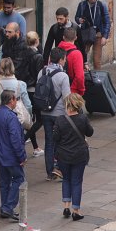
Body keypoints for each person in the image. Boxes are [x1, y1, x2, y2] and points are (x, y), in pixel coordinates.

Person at [52, 93, 93, 220]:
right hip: (79, 155)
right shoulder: (83, 118)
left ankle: (66, 206)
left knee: (66, 179)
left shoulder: (60, 120)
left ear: (67, 105)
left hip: (63, 155)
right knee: (76, 181)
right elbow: (90, 133)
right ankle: (76, 210)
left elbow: (55, 138)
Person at [0, 89, 27, 221]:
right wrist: (21, 156)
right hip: (11, 156)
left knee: (5, 182)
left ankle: (4, 208)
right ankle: (8, 207)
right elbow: (15, 139)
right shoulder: (11, 117)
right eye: (15, 99)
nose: (16, 101)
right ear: (11, 100)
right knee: (19, 179)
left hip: (0, 154)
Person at [38, 48, 72, 180]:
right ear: (61, 60)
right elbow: (67, 98)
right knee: (61, 141)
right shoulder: (63, 76)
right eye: (64, 59)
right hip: (59, 114)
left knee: (49, 141)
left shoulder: (41, 72)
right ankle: (59, 168)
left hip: (45, 112)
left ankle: (50, 171)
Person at [75, 0, 111, 70]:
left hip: (98, 34)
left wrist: (105, 37)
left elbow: (107, 22)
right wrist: (79, 20)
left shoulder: (101, 5)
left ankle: (97, 79)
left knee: (96, 60)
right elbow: (76, 17)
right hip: (86, 33)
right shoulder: (82, 5)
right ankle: (82, 77)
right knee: (82, 58)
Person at [0, 22, 35, 87]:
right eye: (6, 31)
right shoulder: (6, 44)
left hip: (23, 82)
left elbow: (17, 66)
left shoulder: (25, 45)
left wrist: (3, 78)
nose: (7, 34)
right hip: (9, 79)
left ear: (17, 32)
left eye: (10, 32)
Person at [23, 32, 45, 158]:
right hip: (34, 90)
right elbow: (39, 75)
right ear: (37, 40)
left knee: (31, 120)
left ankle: (36, 147)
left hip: (25, 88)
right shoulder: (38, 57)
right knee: (39, 120)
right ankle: (23, 140)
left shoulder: (23, 53)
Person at [58, 27, 85, 96]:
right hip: (71, 91)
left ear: (63, 37)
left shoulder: (56, 51)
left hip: (57, 90)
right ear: (76, 38)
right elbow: (79, 76)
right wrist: (81, 91)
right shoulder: (76, 54)